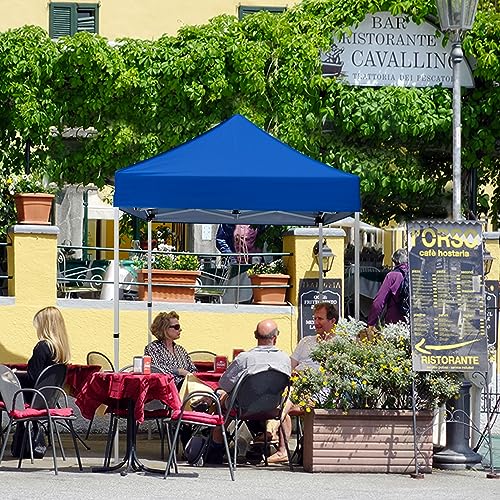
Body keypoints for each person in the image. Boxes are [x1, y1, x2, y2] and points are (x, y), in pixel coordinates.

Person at [206, 319, 291, 464]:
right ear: (275, 338)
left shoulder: (244, 358)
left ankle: (216, 448)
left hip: (242, 408)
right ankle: (282, 450)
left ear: (255, 335)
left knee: (221, 399)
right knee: (285, 414)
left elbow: (224, 384)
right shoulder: (284, 359)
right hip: (272, 407)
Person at [267, 301, 339, 464]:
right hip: (296, 385)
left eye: (320, 319)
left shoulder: (338, 345)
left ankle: (275, 434)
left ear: (332, 321)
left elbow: (334, 377)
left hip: (319, 390)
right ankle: (281, 446)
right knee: (283, 399)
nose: (316, 322)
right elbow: (290, 366)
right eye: (314, 318)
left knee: (286, 402)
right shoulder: (306, 341)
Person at [12, 306, 71, 458]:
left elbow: (32, 378)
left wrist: (14, 374)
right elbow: (41, 377)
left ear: (45, 325)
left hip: (31, 396)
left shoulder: (42, 347)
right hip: (47, 399)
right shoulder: (60, 349)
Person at [144, 311, 196, 388]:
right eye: (176, 327)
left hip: (187, 386)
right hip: (167, 390)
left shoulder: (180, 350)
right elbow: (157, 370)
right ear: (165, 329)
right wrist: (179, 371)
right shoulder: (153, 348)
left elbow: (193, 369)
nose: (180, 329)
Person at [367, 248, 408, 328]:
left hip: (395, 324)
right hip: (416, 325)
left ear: (395, 261)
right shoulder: (417, 275)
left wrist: (371, 323)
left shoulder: (392, 276)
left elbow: (378, 302)